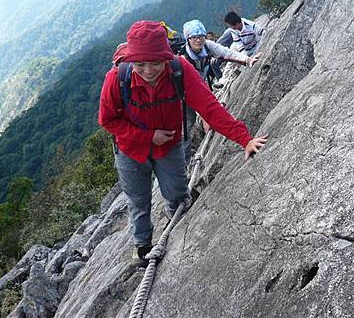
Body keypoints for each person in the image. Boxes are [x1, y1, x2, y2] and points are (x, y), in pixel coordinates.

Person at [98, 21, 267, 267]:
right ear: (130, 60)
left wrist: (245, 139)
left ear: (166, 58)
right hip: (131, 150)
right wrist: (148, 136)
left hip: (169, 145)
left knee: (177, 194)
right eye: (140, 63)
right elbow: (107, 120)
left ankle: (176, 229)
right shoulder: (117, 78)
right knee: (139, 199)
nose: (148, 70)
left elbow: (209, 107)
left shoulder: (179, 70)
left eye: (155, 62)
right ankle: (143, 247)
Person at [180, 19, 261, 162]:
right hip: (182, 96)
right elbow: (194, 94)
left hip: (199, 87)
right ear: (188, 39)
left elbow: (226, 53)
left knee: (207, 116)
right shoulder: (183, 60)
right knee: (185, 127)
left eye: (202, 36)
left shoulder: (207, 46)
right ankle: (183, 164)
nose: (199, 40)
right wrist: (204, 117)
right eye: (195, 37)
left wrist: (247, 60)